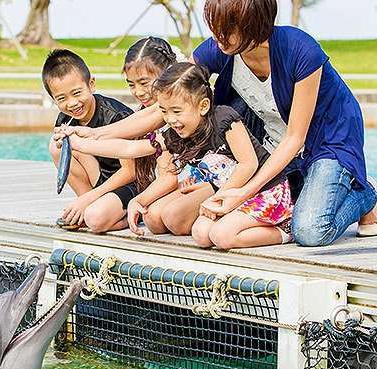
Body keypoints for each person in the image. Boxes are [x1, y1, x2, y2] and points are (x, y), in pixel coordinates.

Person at [61, 0, 377, 246]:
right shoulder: (220, 49)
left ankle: (364, 194)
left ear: (252, 23)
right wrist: (95, 132)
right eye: (214, 26)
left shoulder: (300, 50)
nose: (217, 36)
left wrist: (242, 192)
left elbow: (296, 137)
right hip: (275, 143)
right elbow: (166, 104)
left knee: (310, 230)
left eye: (226, 27)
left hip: (327, 141)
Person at [60, 62, 293, 248]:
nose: (170, 119)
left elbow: (248, 164)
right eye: (163, 111)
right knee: (202, 235)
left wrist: (221, 197)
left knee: (222, 237)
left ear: (202, 106)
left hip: (261, 191)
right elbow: (129, 149)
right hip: (228, 195)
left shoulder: (224, 119)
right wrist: (81, 141)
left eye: (176, 111)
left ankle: (284, 231)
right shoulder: (176, 134)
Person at [43, 49, 136, 232]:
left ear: (91, 84)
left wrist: (90, 198)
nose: (72, 103)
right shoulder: (65, 119)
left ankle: (128, 215)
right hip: (100, 181)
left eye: (77, 93)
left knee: (95, 219)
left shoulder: (116, 116)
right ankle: (87, 206)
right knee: (58, 145)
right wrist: (88, 197)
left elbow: (131, 172)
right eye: (62, 98)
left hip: (131, 184)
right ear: (54, 100)